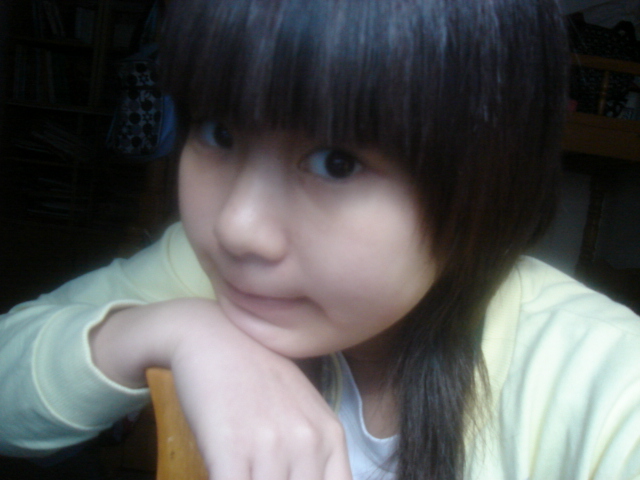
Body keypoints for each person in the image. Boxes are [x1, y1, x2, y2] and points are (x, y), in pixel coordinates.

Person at [1, 0, 640, 479]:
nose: (236, 228)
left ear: (490, 181)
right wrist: (170, 330)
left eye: (338, 162)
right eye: (219, 132)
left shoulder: (608, 385)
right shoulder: (200, 275)